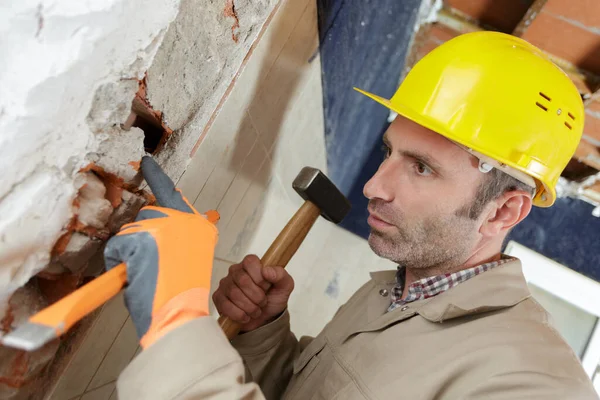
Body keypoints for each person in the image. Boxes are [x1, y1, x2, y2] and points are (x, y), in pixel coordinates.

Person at [112, 31, 599, 399]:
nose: (373, 186)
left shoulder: (532, 383)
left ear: (504, 210)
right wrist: (264, 334)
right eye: (390, 152)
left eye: (423, 169)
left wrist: (175, 322)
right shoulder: (390, 291)